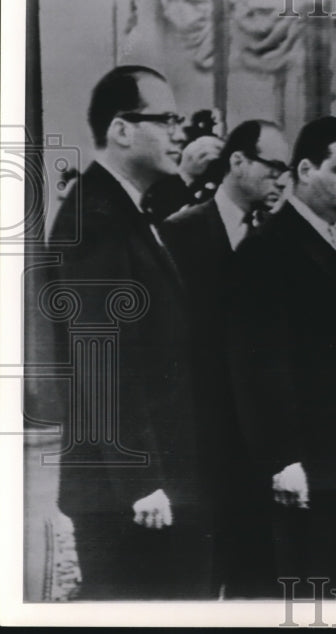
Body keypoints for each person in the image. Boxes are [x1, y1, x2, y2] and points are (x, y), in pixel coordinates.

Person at [40, 65, 213, 599]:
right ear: (121, 129)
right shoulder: (95, 216)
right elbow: (99, 358)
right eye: (166, 120)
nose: (180, 133)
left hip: (147, 486)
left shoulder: (121, 209)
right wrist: (142, 482)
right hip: (133, 496)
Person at [226, 116, 336, 591]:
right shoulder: (268, 247)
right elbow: (259, 364)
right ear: (305, 170)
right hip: (312, 468)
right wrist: (282, 459)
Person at [160, 119, 290, 597]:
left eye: (287, 169)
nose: (281, 178)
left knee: (257, 576)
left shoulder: (278, 237)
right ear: (238, 162)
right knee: (196, 574)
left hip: (259, 444)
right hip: (199, 436)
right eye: (274, 166)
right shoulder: (180, 233)